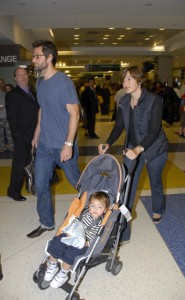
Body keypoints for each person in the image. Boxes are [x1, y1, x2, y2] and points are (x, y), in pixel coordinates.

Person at [98, 66, 169, 233]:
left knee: (156, 181)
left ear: (140, 80)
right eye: (124, 79)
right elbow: (119, 126)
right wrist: (108, 143)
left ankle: (158, 209)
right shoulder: (123, 101)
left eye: (129, 78)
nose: (125, 83)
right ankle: (124, 220)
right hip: (131, 149)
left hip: (155, 149)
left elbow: (154, 130)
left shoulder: (154, 100)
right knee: (128, 186)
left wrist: (139, 149)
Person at [27, 40, 81, 238]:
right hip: (44, 145)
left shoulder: (64, 82)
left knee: (77, 182)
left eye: (37, 56)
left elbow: (74, 113)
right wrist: (36, 133)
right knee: (40, 185)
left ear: (49, 58)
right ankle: (46, 223)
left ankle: (96, 212)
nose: (33, 60)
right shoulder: (40, 81)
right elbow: (43, 109)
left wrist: (68, 144)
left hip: (62, 144)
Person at [43, 191, 110, 289]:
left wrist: (87, 243)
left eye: (100, 207)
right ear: (89, 205)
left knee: (70, 254)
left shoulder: (100, 223)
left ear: (105, 210)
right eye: (93, 205)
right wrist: (70, 231)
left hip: (81, 243)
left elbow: (95, 237)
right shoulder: (84, 212)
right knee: (57, 242)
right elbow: (75, 221)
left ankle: (63, 274)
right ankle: (53, 265)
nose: (95, 209)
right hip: (72, 235)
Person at [5, 67, 39, 201]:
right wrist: (17, 137)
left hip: (35, 135)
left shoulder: (33, 93)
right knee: (20, 165)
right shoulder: (13, 94)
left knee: (31, 163)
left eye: (24, 74)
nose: (23, 77)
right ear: (15, 78)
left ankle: (30, 187)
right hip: (22, 137)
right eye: (19, 75)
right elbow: (12, 118)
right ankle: (13, 191)